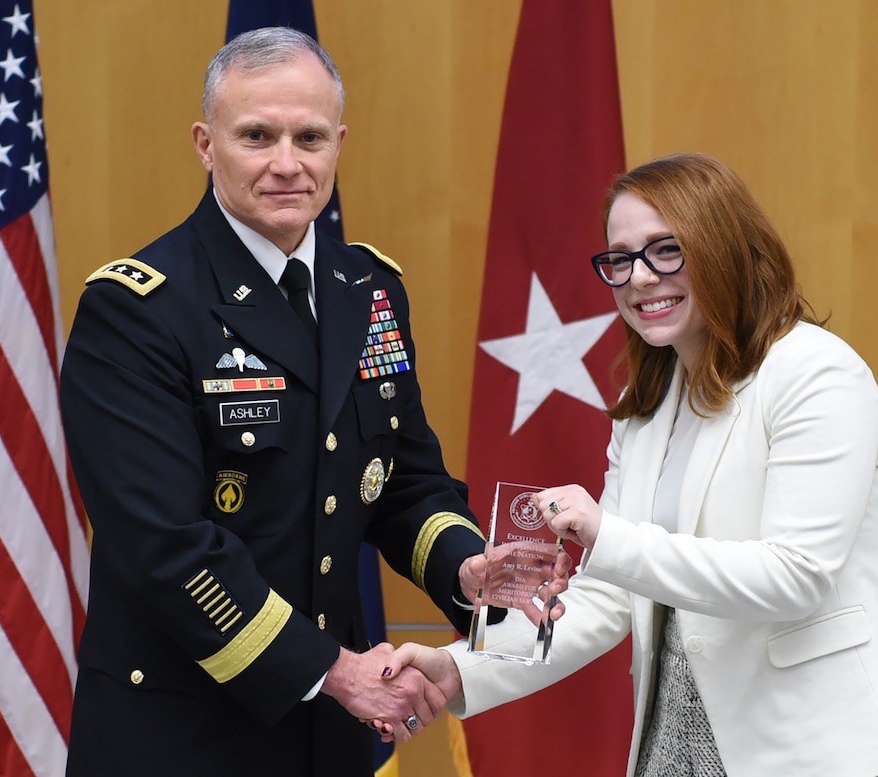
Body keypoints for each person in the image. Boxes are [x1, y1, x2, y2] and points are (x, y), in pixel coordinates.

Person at [59, 27, 567, 777]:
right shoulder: (137, 309)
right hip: (181, 733)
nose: (287, 164)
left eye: (310, 136)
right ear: (206, 144)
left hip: (331, 733)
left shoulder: (368, 289)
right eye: (257, 136)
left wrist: (466, 567)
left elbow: (403, 479)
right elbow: (165, 545)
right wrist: (334, 669)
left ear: (339, 142)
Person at [384, 153, 878, 776]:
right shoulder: (642, 407)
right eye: (619, 259)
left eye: (664, 250)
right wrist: (459, 667)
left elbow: (797, 577)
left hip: (826, 754)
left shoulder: (817, 373)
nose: (639, 278)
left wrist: (604, 536)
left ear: (723, 247)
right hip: (673, 750)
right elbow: (607, 598)